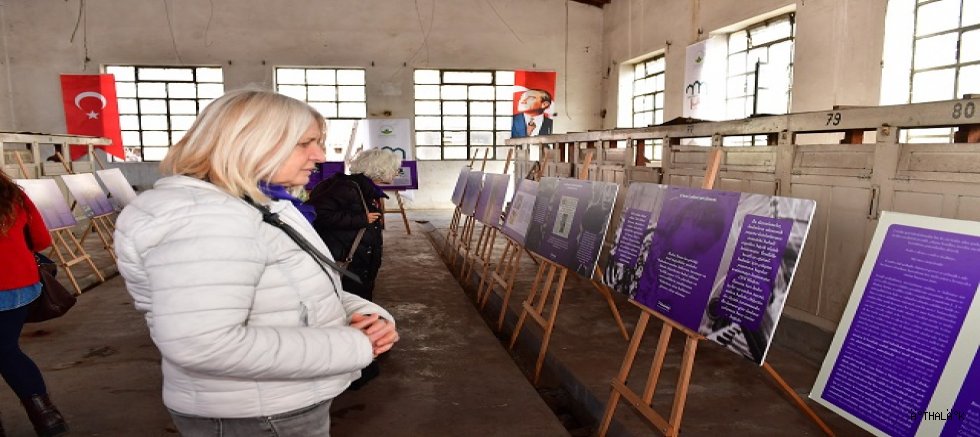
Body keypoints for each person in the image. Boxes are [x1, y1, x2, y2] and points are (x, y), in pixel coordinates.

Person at [114, 89, 399, 436]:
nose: (319, 155)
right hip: (258, 415)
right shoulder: (206, 220)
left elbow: (301, 287)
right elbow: (205, 344)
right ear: (252, 142)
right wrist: (354, 345)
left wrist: (364, 315)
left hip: (277, 401)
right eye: (305, 143)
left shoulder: (256, 205)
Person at [305, 149, 400, 390]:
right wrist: (360, 219)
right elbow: (319, 214)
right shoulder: (347, 188)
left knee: (359, 304)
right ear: (380, 169)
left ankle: (361, 359)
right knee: (349, 309)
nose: (396, 173)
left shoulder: (361, 188)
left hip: (358, 260)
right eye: (393, 168)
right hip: (347, 261)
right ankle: (355, 366)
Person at [0, 171, 69, 437]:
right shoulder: (14, 195)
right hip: (20, 287)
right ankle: (48, 419)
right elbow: (41, 241)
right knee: (7, 350)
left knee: (5, 351)